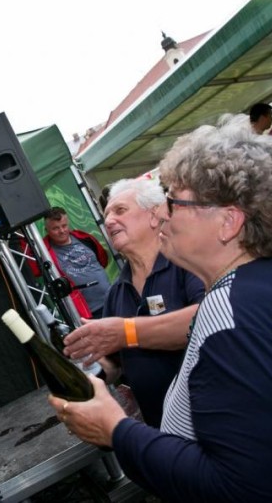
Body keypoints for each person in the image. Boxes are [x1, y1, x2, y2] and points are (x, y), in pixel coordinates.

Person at [49, 114, 272, 502]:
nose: (163, 213)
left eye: (174, 200)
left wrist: (116, 430)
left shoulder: (232, 313)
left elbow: (241, 490)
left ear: (228, 221)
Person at [62, 178, 203, 427]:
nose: (108, 221)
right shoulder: (117, 293)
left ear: (153, 216)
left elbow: (207, 319)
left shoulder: (187, 261)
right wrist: (85, 372)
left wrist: (126, 332)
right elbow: (113, 363)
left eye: (120, 210)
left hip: (211, 417)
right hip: (163, 431)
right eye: (106, 215)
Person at [27, 207, 111, 318]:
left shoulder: (84, 238)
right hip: (89, 312)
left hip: (114, 297)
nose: (62, 231)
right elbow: (34, 270)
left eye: (64, 225)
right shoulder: (44, 252)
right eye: (55, 228)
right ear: (46, 230)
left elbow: (102, 259)